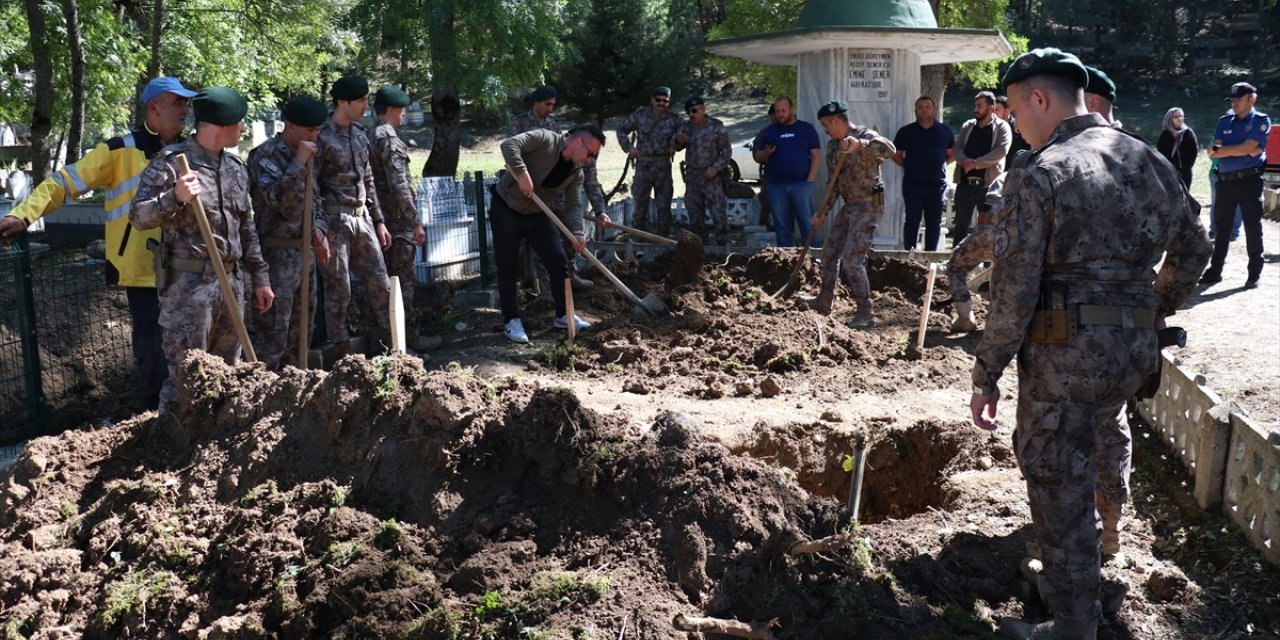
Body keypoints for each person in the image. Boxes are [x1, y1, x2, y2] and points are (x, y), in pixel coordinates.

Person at [970, 48, 1210, 640]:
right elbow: (1195, 250)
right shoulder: (1148, 158)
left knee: (1059, 489)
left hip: (1065, 354)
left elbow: (1014, 286)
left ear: (1040, 99)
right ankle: (1089, 568)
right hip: (1134, 353)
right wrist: (1152, 306)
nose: (1014, 122)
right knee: (1098, 448)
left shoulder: (1041, 170)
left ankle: (1073, 627)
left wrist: (987, 371)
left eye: (1015, 108)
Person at [0, 77, 196, 411]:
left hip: (191, 268)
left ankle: (188, 416)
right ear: (153, 108)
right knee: (152, 352)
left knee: (191, 351)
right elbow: (64, 182)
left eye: (186, 102)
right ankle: (152, 420)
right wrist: (24, 214)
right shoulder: (119, 149)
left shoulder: (193, 150)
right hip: (142, 271)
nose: (185, 109)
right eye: (177, 102)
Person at [129, 86, 275, 410]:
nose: (243, 128)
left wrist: (260, 278)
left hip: (231, 284)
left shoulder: (235, 168)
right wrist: (174, 198)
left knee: (230, 375)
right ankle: (173, 445)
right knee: (185, 378)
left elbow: (246, 226)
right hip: (188, 291)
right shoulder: (171, 164)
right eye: (240, 122)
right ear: (221, 125)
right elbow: (138, 216)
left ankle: (219, 447)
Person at [493, 125, 601, 343]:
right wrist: (522, 173)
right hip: (506, 208)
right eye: (591, 153)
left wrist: (578, 231)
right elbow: (509, 144)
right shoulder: (545, 139)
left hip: (539, 212)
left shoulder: (576, 171)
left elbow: (574, 204)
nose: (590, 160)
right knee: (508, 266)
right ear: (579, 142)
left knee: (558, 262)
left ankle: (563, 315)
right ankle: (511, 320)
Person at [247, 96, 332, 371]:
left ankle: (295, 392)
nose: (314, 136)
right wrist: (298, 162)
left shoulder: (310, 155)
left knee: (302, 331)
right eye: (309, 130)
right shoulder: (265, 155)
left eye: (317, 130)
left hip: (303, 253)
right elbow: (279, 201)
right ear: (290, 126)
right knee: (273, 335)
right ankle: (264, 395)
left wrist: (319, 229)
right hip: (276, 256)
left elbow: (316, 200)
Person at [315, 76, 394, 357]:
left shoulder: (360, 135)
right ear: (343, 102)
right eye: (360, 100)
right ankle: (343, 356)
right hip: (335, 223)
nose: (365, 106)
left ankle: (391, 350)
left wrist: (379, 220)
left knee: (381, 284)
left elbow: (368, 180)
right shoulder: (321, 136)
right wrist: (318, 228)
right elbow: (312, 185)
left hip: (363, 220)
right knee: (340, 291)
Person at [804, 101, 895, 327]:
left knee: (852, 260)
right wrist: (822, 212)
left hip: (869, 205)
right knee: (829, 252)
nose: (824, 129)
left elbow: (890, 150)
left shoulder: (865, 135)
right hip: (850, 205)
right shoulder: (833, 146)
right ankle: (824, 299)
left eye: (826, 124)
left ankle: (866, 312)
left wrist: (861, 145)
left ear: (836, 121)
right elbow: (834, 183)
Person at [508, 85, 608, 290]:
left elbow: (573, 170)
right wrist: (524, 176)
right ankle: (527, 286)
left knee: (565, 236)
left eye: (554, 105)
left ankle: (568, 278)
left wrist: (600, 210)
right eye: (548, 104)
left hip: (553, 194)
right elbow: (512, 150)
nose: (551, 109)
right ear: (536, 102)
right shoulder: (519, 124)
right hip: (525, 189)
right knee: (521, 243)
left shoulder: (554, 125)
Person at [367, 86, 430, 353]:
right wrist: (414, 220)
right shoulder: (389, 138)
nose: (404, 114)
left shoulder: (369, 135)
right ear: (392, 109)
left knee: (381, 285)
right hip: (395, 222)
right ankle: (402, 345)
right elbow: (399, 185)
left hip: (379, 220)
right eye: (402, 109)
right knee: (401, 284)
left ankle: (390, 343)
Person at [1200, 82, 1270, 290]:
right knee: (1222, 229)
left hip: (1249, 181)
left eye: (1239, 99)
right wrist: (1238, 149)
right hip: (1225, 182)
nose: (1235, 103)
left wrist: (1227, 149)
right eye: (1232, 100)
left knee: (1252, 227)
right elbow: (1211, 151)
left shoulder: (1260, 121)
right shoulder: (1225, 121)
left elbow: (1244, 148)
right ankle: (1215, 271)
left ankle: (1254, 273)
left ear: (1252, 99)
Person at [755, 96, 822, 247]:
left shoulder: (806, 129)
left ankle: (814, 255)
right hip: (776, 185)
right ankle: (786, 256)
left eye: (783, 110)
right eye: (778, 111)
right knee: (781, 224)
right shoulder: (770, 132)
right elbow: (759, 156)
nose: (780, 114)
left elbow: (816, 155)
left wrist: (810, 179)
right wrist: (766, 153)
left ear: (792, 109)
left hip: (801, 184)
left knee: (807, 222)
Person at [617, 86, 683, 236]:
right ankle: (637, 242)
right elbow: (621, 129)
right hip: (643, 165)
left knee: (664, 206)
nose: (661, 103)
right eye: (658, 100)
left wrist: (676, 144)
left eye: (665, 101)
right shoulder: (640, 116)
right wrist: (629, 148)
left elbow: (682, 138)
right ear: (652, 100)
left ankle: (663, 244)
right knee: (640, 205)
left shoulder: (674, 119)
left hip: (663, 166)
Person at [892, 95, 954, 251]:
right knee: (912, 221)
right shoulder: (906, 132)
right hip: (913, 185)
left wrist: (939, 165)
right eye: (920, 107)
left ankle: (930, 257)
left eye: (927, 107)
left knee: (934, 223)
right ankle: (909, 257)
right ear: (915, 111)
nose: (924, 110)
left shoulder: (944, 131)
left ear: (933, 109)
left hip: (937, 185)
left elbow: (952, 154)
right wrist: (910, 166)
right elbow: (896, 155)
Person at [951, 90, 1011, 244]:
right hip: (964, 185)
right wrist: (964, 161)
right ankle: (956, 264)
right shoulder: (968, 126)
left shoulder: (1002, 127)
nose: (975, 109)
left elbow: (1001, 151)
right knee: (960, 226)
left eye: (979, 106)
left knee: (988, 227)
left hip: (988, 187)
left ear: (991, 108)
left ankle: (986, 266)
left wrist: (976, 163)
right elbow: (957, 148)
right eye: (975, 105)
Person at [675, 97, 730, 246]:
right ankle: (700, 247)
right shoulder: (686, 127)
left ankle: (723, 245)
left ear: (703, 109)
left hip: (712, 176)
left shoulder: (716, 126)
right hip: (693, 176)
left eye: (694, 110)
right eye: (689, 112)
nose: (691, 114)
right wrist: (678, 141)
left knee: (718, 212)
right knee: (694, 214)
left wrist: (716, 168)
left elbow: (726, 151)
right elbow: (675, 147)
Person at [1156, 107, 1198, 189]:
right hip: (1169, 171)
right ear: (1170, 118)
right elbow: (1160, 152)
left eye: (1181, 116)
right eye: (1176, 116)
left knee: (1185, 195)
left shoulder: (1188, 132)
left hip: (1185, 171)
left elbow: (1194, 150)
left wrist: (1188, 165)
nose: (1179, 118)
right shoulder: (1165, 134)